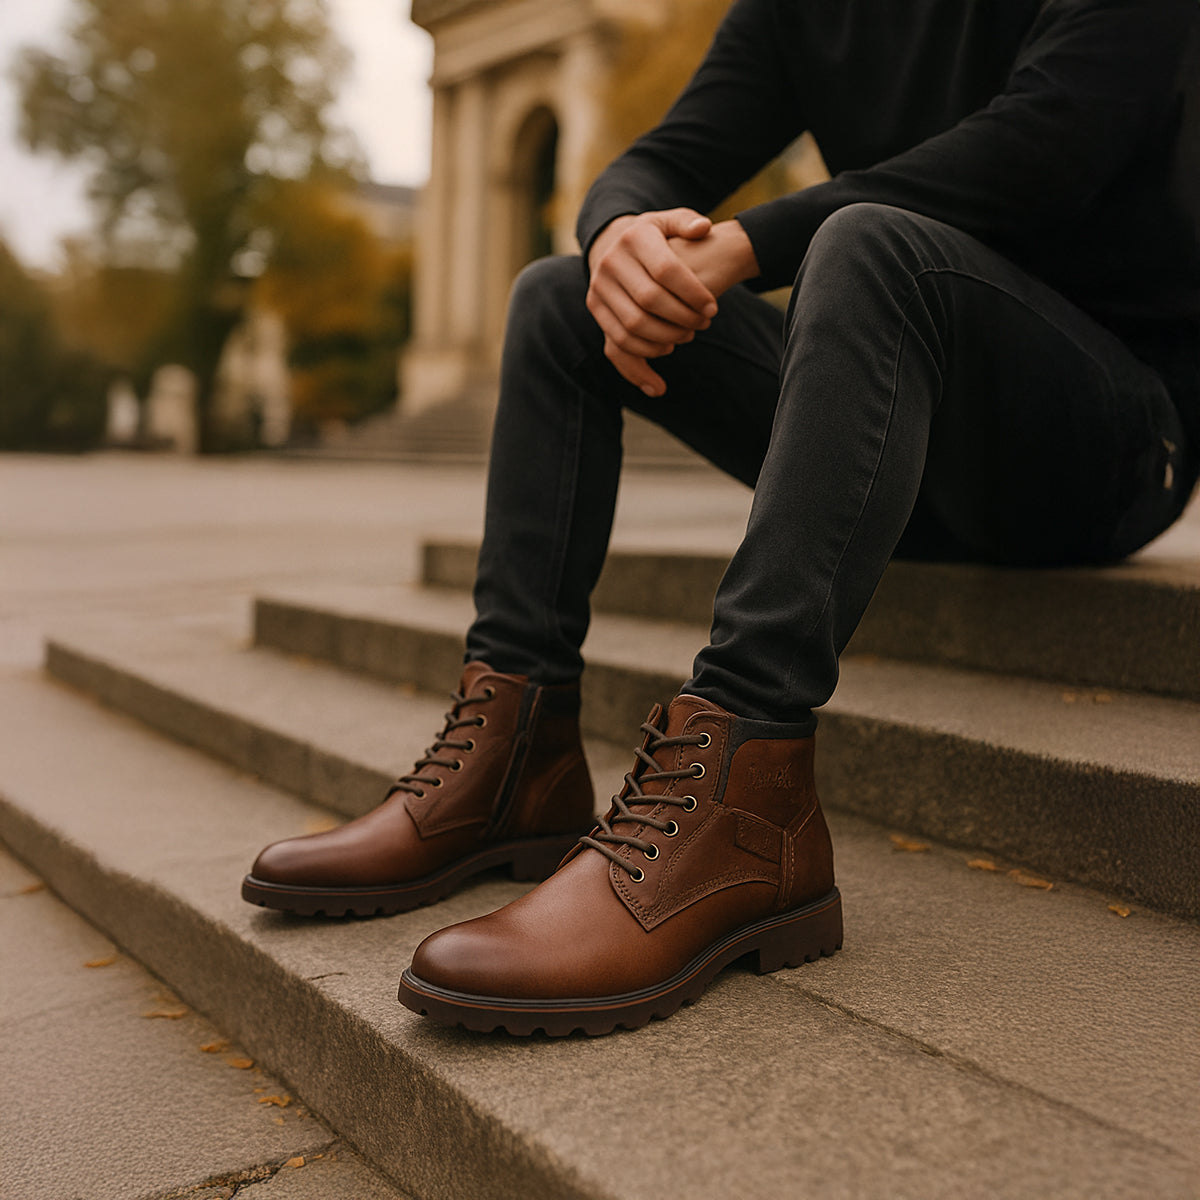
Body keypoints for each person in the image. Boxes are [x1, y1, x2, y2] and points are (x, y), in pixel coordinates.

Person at [243, 0, 1200, 1035]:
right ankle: (516, 750)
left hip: (1109, 440)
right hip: (910, 444)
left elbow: (1046, 152)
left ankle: (748, 782)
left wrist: (747, 243)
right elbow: (664, 157)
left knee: (870, 245)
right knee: (566, 302)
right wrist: (620, 239)